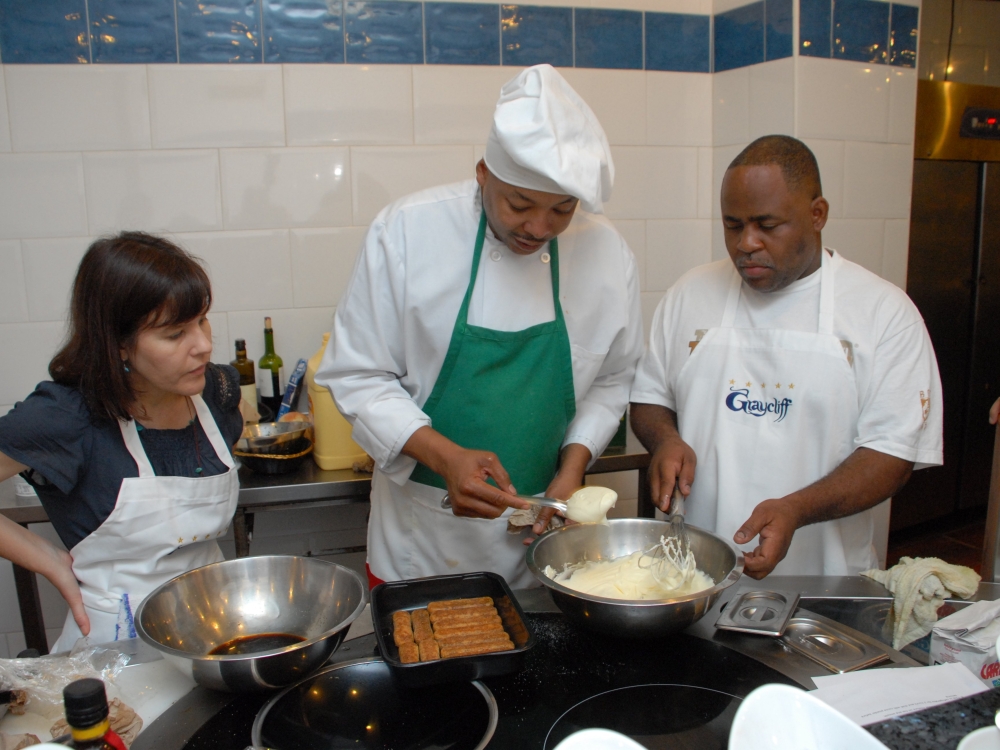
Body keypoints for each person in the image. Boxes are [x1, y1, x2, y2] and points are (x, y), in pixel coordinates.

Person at [318, 64, 644, 589]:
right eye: (520, 204)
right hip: (421, 545)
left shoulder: (607, 254)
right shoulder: (405, 232)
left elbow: (613, 379)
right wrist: (445, 457)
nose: (539, 229)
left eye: (562, 210)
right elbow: (357, 375)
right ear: (483, 174)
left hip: (545, 546)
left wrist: (573, 467)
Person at [629, 135, 943, 579]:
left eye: (767, 225)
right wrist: (664, 439)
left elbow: (892, 456)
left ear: (818, 214)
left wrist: (797, 508)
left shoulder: (883, 313)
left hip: (824, 583)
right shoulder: (690, 294)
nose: (746, 243)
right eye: (733, 225)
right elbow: (649, 397)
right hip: (689, 580)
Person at [0, 232, 243, 650]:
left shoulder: (216, 391)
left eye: (202, 320)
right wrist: (52, 562)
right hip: (118, 651)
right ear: (119, 345)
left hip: (214, 633)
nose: (203, 345)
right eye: (174, 334)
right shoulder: (66, 416)